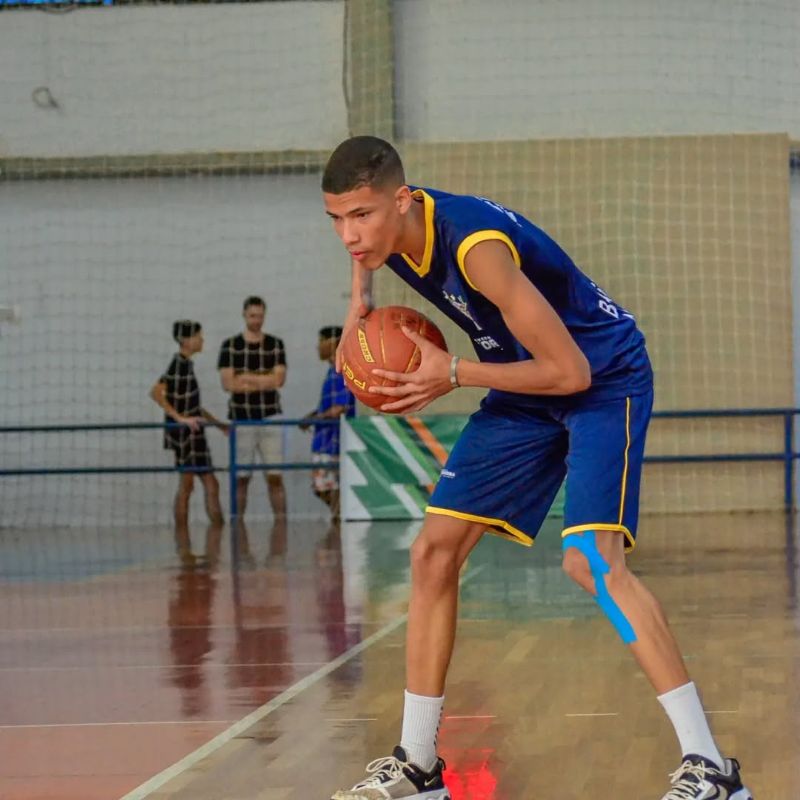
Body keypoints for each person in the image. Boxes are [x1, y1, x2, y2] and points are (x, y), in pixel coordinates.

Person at [321, 137, 752, 800]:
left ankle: (711, 767)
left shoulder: (476, 249)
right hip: (526, 384)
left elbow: (570, 371)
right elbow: (365, 256)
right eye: (337, 220)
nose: (351, 237)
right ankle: (418, 763)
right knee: (434, 554)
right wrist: (358, 303)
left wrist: (454, 374)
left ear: (401, 201)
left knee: (593, 563)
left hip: (601, 380)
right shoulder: (389, 235)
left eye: (362, 217)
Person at [149, 320, 225, 542]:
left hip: (196, 432)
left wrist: (218, 424)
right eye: (198, 336)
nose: (202, 340)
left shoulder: (187, 366)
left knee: (211, 483)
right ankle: (182, 537)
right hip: (184, 434)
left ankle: (218, 533)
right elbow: (156, 392)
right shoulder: (178, 365)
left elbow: (193, 406)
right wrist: (179, 418)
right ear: (185, 340)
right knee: (187, 484)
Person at [218, 296, 287, 520]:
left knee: (275, 476)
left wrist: (246, 377)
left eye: (260, 316)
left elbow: (278, 381)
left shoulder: (275, 344)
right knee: (241, 478)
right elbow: (229, 384)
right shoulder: (230, 346)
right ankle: (238, 524)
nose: (256, 320)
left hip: (270, 416)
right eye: (252, 316)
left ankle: (281, 524)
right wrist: (263, 380)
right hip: (242, 418)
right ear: (244, 315)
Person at [300, 326, 356, 520]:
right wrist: (311, 416)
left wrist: (317, 418)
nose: (317, 347)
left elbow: (340, 407)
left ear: (332, 343)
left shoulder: (342, 370)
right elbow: (329, 405)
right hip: (325, 437)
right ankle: (337, 515)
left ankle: (338, 516)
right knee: (322, 485)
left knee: (328, 485)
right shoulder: (331, 371)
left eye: (320, 342)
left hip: (334, 440)